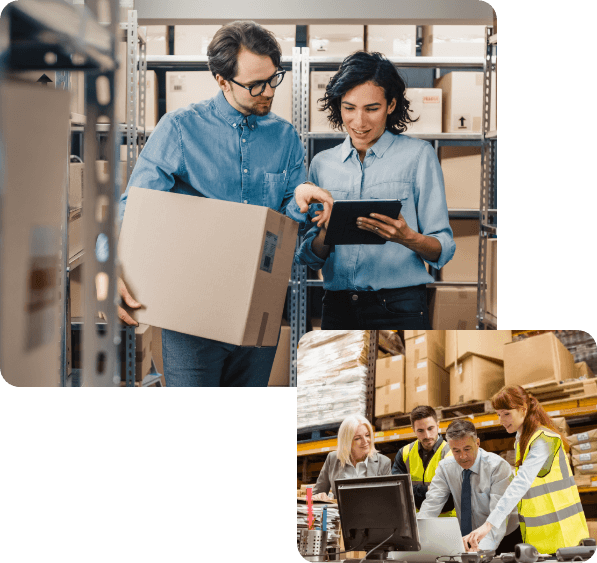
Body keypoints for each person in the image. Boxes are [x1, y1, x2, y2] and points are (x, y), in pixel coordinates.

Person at [102, 21, 333, 386]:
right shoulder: (179, 130)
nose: (268, 92)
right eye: (255, 84)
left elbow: (288, 223)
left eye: (274, 78)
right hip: (192, 317)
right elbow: (134, 206)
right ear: (221, 79)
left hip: (259, 311)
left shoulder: (286, 138)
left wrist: (300, 200)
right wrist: (108, 263)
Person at [292, 51, 455, 329]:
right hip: (337, 306)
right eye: (349, 108)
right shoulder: (322, 164)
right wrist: (325, 233)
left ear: (391, 105)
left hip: (399, 306)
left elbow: (443, 247)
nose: (359, 122)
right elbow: (309, 257)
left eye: (371, 108)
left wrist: (408, 238)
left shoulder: (418, 156)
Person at [463, 385, 590, 554]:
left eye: (507, 413)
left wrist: (488, 525)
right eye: (499, 414)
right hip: (542, 539)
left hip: (564, 537)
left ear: (523, 410)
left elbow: (521, 483)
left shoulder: (543, 440)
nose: (501, 420)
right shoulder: (522, 440)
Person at [418, 419, 523, 554]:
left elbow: (499, 517)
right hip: (469, 538)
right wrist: (416, 537)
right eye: (456, 451)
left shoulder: (497, 467)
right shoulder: (446, 467)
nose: (462, 456)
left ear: (477, 443)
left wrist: (481, 551)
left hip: (506, 538)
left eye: (467, 449)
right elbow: (431, 504)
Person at [391, 405, 456, 517]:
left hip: (447, 522)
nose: (427, 435)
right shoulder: (404, 454)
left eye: (430, 428)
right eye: (420, 431)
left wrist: (414, 491)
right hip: (416, 522)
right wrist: (430, 490)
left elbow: (450, 499)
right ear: (413, 430)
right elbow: (397, 492)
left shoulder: (452, 453)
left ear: (438, 425)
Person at [311, 414, 391, 500]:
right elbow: (317, 493)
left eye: (367, 435)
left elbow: (389, 499)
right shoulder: (333, 459)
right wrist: (319, 496)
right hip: (339, 513)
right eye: (358, 438)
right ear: (347, 442)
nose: (365, 441)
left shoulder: (383, 462)